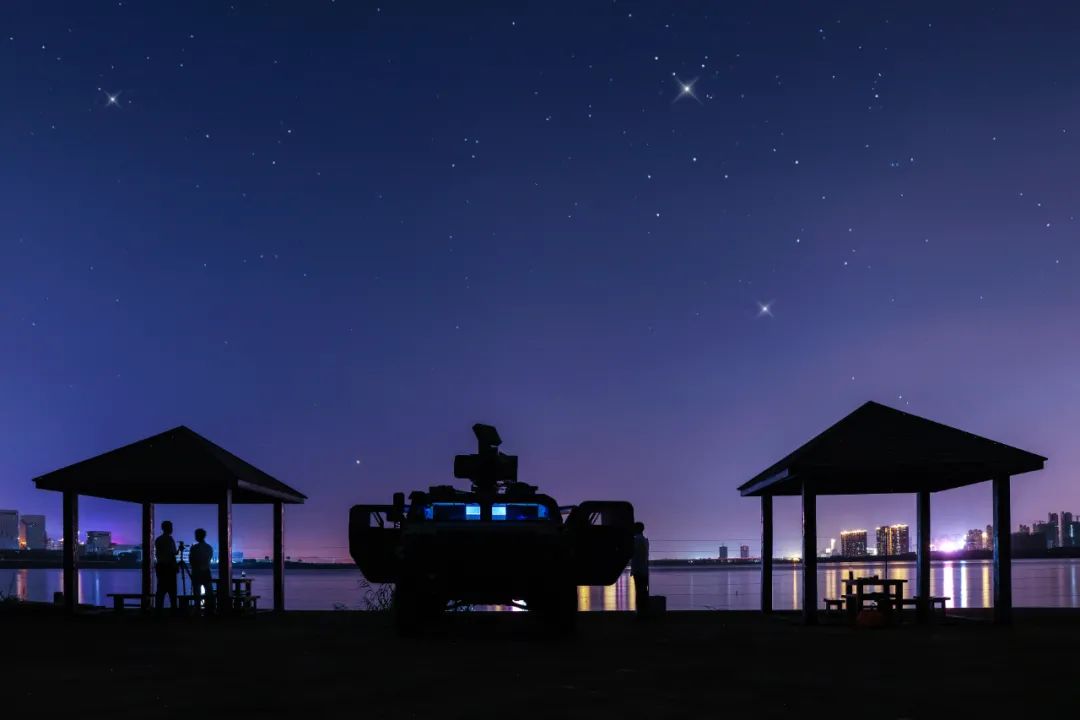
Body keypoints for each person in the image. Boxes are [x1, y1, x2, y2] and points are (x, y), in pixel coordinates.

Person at [188, 528, 215, 614]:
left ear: (197, 536)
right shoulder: (209, 548)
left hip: (196, 572)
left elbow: (191, 561)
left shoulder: (194, 548)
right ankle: (209, 609)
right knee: (208, 591)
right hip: (206, 571)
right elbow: (209, 559)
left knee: (197, 592)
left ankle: (197, 609)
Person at [154, 520, 179, 613]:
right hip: (169, 568)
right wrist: (179, 550)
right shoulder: (170, 539)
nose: (172, 529)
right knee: (172, 591)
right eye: (171, 527)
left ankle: (158, 610)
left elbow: (159, 554)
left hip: (160, 567)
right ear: (168, 528)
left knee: (160, 590)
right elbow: (173, 553)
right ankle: (173, 611)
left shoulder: (158, 539)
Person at [631, 521, 650, 617]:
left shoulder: (636, 541)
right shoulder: (645, 541)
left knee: (639, 591)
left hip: (638, 569)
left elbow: (632, 554)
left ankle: (640, 613)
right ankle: (644, 611)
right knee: (643, 591)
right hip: (644, 569)